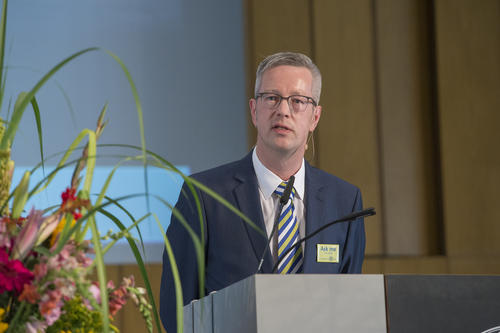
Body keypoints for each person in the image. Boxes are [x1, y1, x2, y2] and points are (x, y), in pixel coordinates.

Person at [160, 52, 365, 332]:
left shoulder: (345, 202)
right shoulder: (203, 195)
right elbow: (176, 310)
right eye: (272, 98)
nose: (283, 110)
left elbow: (351, 309)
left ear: (315, 117)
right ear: (254, 110)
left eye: (297, 101)